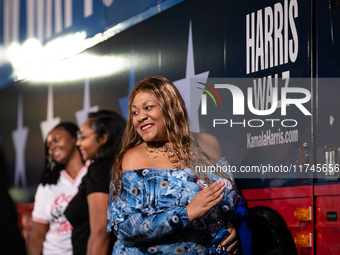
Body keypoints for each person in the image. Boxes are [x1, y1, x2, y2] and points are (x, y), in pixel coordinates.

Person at [107, 76, 251, 255]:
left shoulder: (208, 143)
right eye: (135, 112)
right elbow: (124, 227)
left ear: (170, 106)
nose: (140, 117)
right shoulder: (132, 158)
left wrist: (227, 226)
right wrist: (187, 213)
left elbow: (231, 202)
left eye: (148, 107)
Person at [64, 110, 126, 255]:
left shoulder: (101, 171)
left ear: (103, 138)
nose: (78, 143)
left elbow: (100, 233)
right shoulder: (112, 168)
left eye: (83, 137)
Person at [29, 122, 88, 255]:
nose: (52, 147)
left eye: (56, 140)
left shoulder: (94, 173)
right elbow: (37, 235)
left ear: (75, 138)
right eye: (49, 146)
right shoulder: (47, 186)